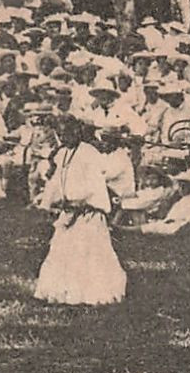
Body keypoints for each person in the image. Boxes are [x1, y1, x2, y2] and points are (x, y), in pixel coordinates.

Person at [34, 115, 128, 306]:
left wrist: (75, 200)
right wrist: (48, 202)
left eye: (67, 133)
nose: (63, 138)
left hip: (88, 211)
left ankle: (92, 293)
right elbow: (57, 181)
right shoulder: (63, 154)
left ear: (77, 132)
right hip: (70, 211)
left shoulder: (89, 153)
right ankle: (63, 291)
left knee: (88, 252)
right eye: (60, 134)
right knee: (62, 250)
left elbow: (93, 184)